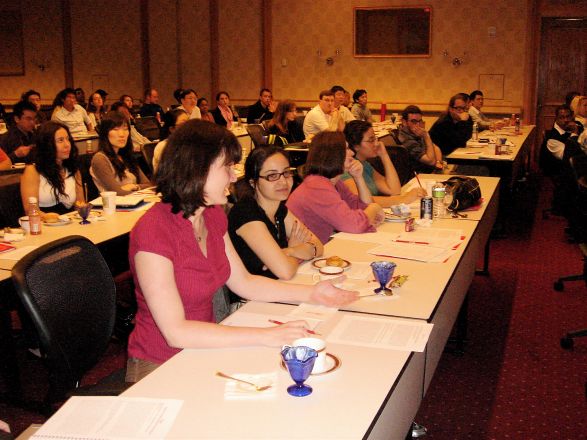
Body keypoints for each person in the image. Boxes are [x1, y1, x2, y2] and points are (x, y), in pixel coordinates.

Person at [125, 120, 357, 381]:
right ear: (197, 169)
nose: (235, 177)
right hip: (159, 364)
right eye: (227, 167)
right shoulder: (154, 231)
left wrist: (314, 293)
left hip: (203, 347)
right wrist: (267, 336)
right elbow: (175, 332)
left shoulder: (212, 216)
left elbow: (244, 282)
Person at [229, 146, 323, 281]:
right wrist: (295, 250)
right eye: (272, 176)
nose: (283, 181)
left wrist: (290, 251)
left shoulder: (279, 208)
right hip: (250, 299)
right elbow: (285, 272)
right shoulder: (246, 213)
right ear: (253, 182)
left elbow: (318, 246)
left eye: (286, 173)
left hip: (278, 288)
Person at [287, 131, 384, 244]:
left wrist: (359, 178)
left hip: (318, 249)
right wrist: (375, 207)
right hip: (303, 257)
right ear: (333, 155)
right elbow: (354, 225)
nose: (352, 153)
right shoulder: (317, 186)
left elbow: (363, 207)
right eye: (346, 149)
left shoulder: (334, 182)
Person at [342, 120, 426, 207]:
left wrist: (384, 155)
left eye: (375, 138)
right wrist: (403, 199)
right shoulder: (346, 169)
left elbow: (394, 190)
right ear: (356, 145)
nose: (376, 143)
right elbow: (359, 201)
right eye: (371, 140)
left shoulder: (365, 165)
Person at [20, 121, 84, 216]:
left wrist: (86, 210)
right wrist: (54, 219)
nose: (67, 145)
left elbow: (80, 204)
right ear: (47, 145)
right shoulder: (33, 171)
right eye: (60, 140)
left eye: (68, 139)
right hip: (45, 225)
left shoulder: (73, 169)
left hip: (70, 223)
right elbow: (30, 210)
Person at [90, 112, 151, 195]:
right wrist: (130, 189)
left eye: (125, 129)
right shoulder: (100, 159)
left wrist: (134, 186)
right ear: (105, 133)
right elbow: (116, 193)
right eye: (115, 129)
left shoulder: (126, 156)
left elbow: (148, 184)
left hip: (134, 203)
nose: (122, 134)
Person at [398, 105, 443, 173]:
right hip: (420, 175)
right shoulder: (406, 140)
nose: (418, 125)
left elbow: (435, 148)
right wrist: (427, 137)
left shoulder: (415, 133)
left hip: (431, 171)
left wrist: (438, 162)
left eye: (420, 121)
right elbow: (430, 161)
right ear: (404, 122)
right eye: (414, 121)